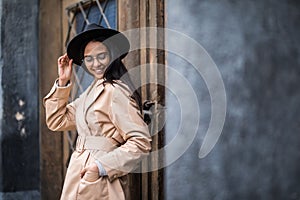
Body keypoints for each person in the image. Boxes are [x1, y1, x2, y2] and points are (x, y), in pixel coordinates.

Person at [43, 23, 151, 200]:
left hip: (100, 177)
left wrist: (99, 168)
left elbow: (140, 142)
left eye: (101, 56)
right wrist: (63, 82)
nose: (96, 64)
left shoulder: (115, 91)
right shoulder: (91, 91)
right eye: (89, 59)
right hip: (78, 171)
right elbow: (57, 121)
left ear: (113, 55)